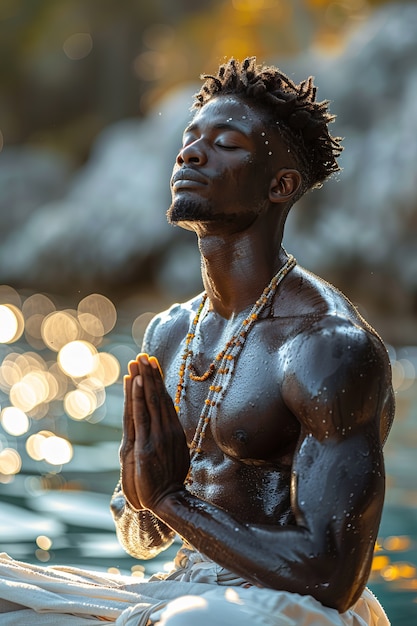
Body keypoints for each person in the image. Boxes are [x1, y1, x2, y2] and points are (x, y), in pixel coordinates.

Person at [0, 57, 394, 626]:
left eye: (227, 144)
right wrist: (142, 492)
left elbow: (333, 577)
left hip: (299, 605)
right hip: (183, 584)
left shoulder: (328, 347)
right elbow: (142, 538)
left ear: (280, 184)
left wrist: (168, 499)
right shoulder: (170, 332)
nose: (191, 154)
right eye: (190, 140)